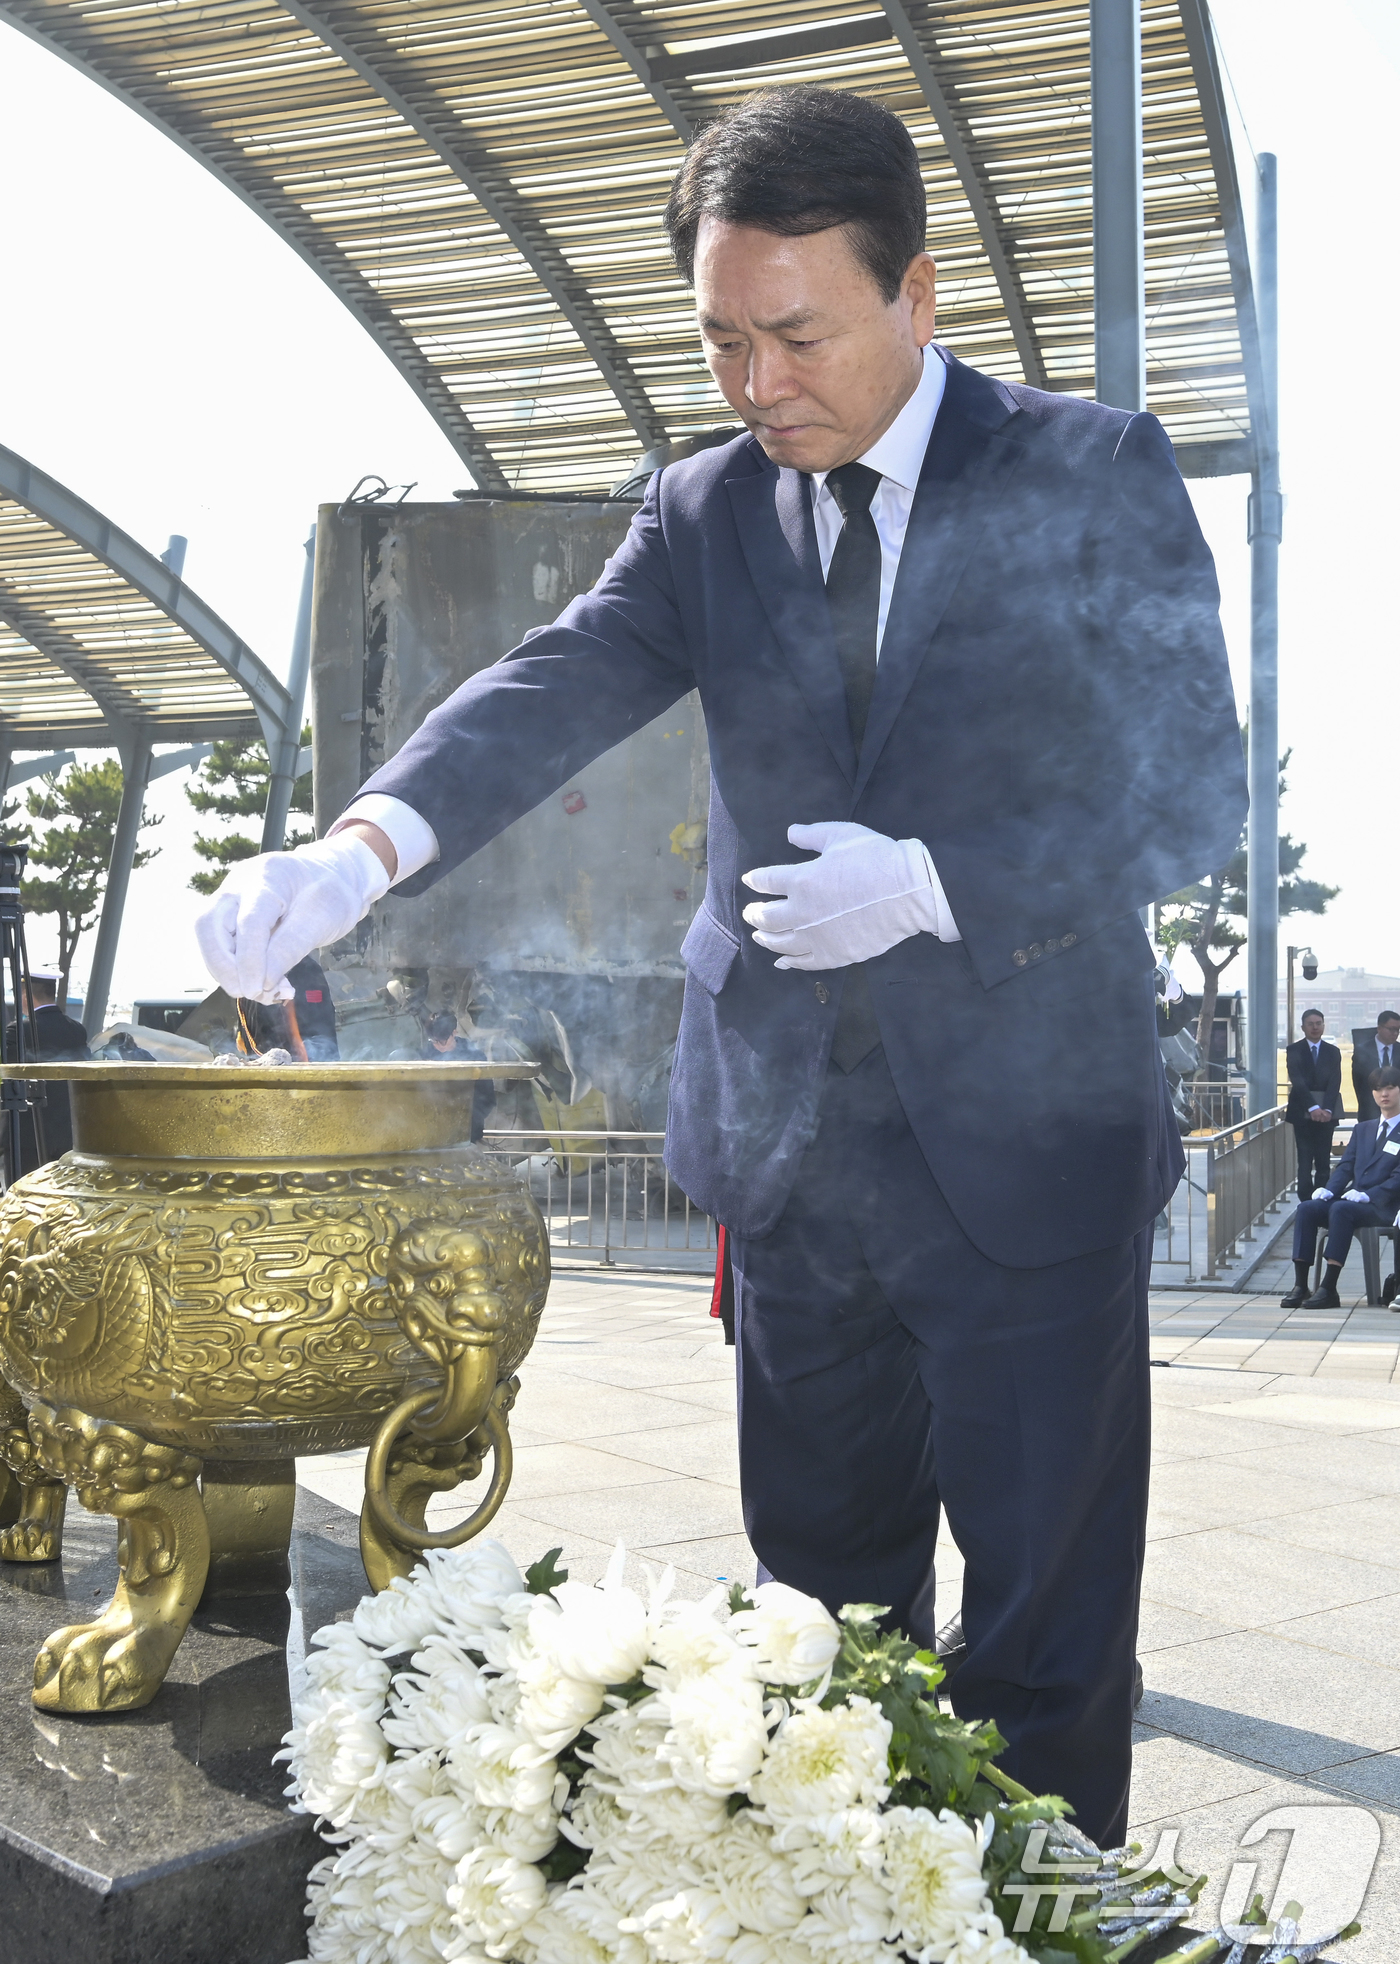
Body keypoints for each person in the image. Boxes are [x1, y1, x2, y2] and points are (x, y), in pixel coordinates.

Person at [194, 87, 1246, 1845]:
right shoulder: (702, 511)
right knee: (817, 1631)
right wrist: (353, 847)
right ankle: (848, 1913)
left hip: (1026, 1167)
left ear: (916, 293)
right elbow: (549, 686)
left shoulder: (1085, 470)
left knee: (1047, 1649)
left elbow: (1193, 786)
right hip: (795, 1165)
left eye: (796, 334)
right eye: (722, 339)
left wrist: (938, 882)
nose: (756, 383)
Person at [1284, 1067, 1400, 1309]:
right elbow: (1346, 1166)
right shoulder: (1363, 1129)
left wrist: (1368, 1195)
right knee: (1307, 1208)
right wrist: (1329, 1189)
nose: (1384, 1094)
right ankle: (1301, 1285)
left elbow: (1397, 1178)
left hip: (1384, 1206)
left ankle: (1329, 1286)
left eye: (1390, 1088)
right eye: (1378, 1089)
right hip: (1355, 1202)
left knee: (1340, 1210)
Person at [3, 972, 90, 1174]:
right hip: (66, 1135)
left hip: (25, 1137)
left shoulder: (18, 1031)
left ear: (25, 996)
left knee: (23, 1199)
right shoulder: (77, 1030)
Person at [1285, 1009, 1342, 1201]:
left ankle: (1322, 1197)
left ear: (1324, 1026)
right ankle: (1305, 1200)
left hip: (1327, 1114)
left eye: (1319, 1023)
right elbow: (1297, 1080)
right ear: (1303, 1027)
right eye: (1311, 1024)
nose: (1315, 1027)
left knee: (1323, 1159)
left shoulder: (1333, 1051)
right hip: (1302, 1112)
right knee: (1305, 1158)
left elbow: (1335, 1081)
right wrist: (1313, 1108)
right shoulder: (1294, 1050)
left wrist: (1326, 1109)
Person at [242, 952, 340, 1060]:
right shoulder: (257, 969)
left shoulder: (307, 970)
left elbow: (320, 1022)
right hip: (277, 1059)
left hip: (284, 1059)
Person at [421, 1010, 496, 1144]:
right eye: (434, 1041)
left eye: (443, 1041)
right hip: (432, 1132)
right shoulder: (426, 1056)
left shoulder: (475, 1058)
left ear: (454, 1032)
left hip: (468, 1132)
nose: (438, 1045)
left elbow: (487, 1098)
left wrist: (467, 1120)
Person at [1352, 1010, 1400, 1122]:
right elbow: (1358, 1083)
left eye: (1397, 1030)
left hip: (1396, 1111)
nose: (1395, 1033)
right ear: (1379, 1028)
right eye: (1391, 1029)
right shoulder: (1362, 1051)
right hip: (1369, 1110)